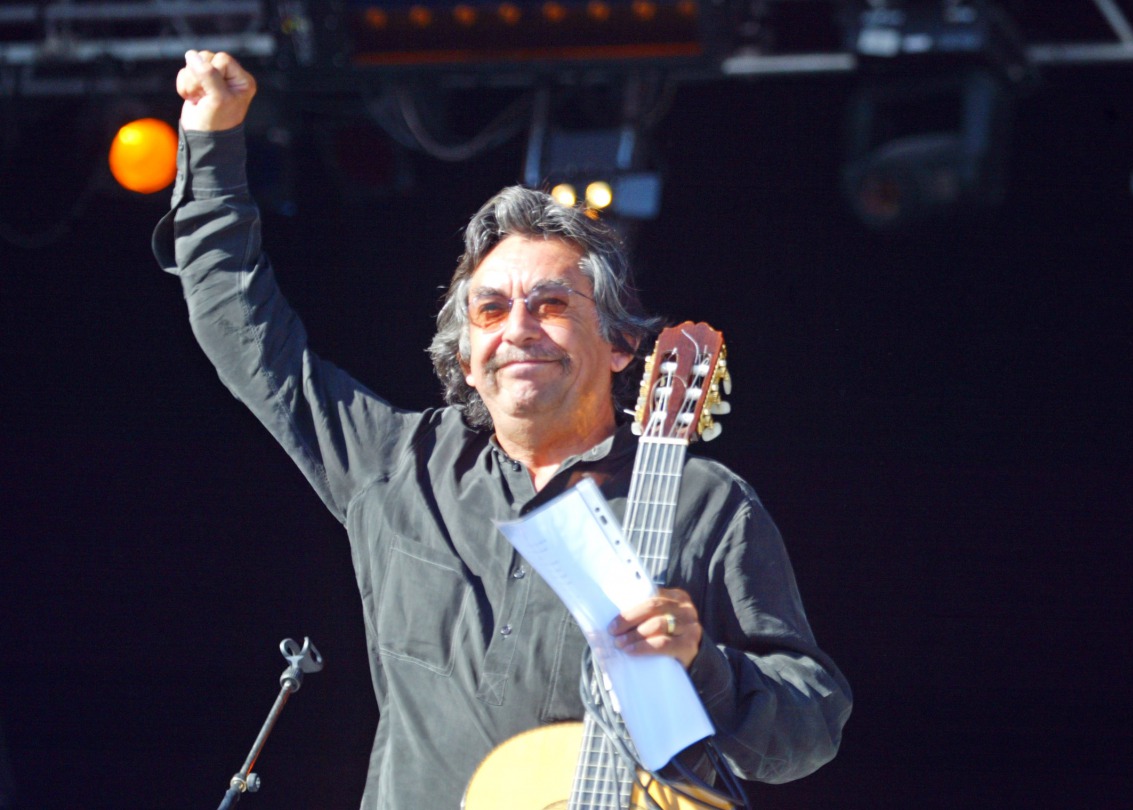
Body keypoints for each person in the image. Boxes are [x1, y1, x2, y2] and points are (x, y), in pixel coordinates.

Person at [154, 50, 852, 810]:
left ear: (620, 345)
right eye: (491, 310)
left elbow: (809, 725)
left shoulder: (704, 503)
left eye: (551, 304)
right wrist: (211, 142)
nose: (517, 329)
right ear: (465, 350)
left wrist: (704, 664)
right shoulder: (395, 465)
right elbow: (241, 330)